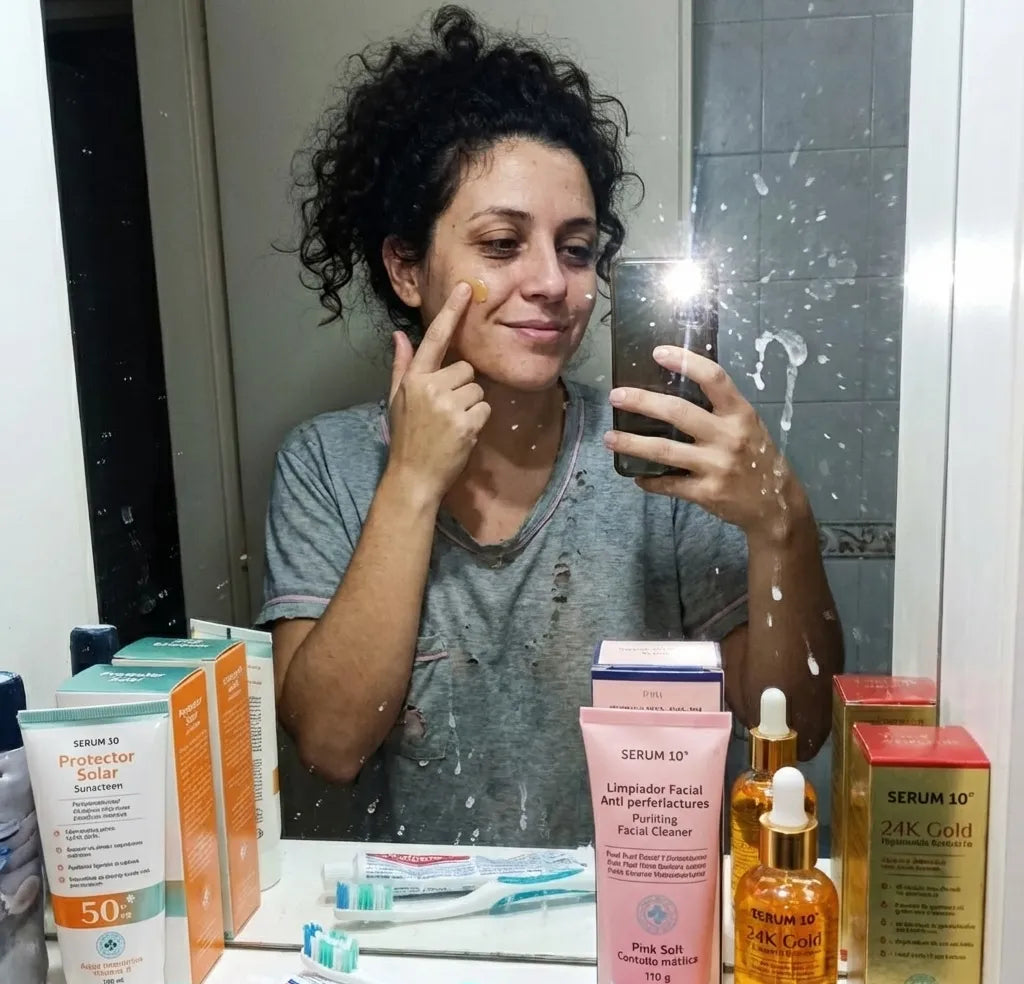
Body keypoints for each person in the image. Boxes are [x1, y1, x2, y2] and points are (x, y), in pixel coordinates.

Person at [257, 5, 843, 846]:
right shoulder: (327, 463)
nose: (552, 283)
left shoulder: (659, 453)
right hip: (426, 917)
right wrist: (412, 483)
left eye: (576, 249)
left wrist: (782, 521)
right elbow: (331, 746)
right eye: (502, 244)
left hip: (647, 911)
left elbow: (795, 730)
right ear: (407, 269)